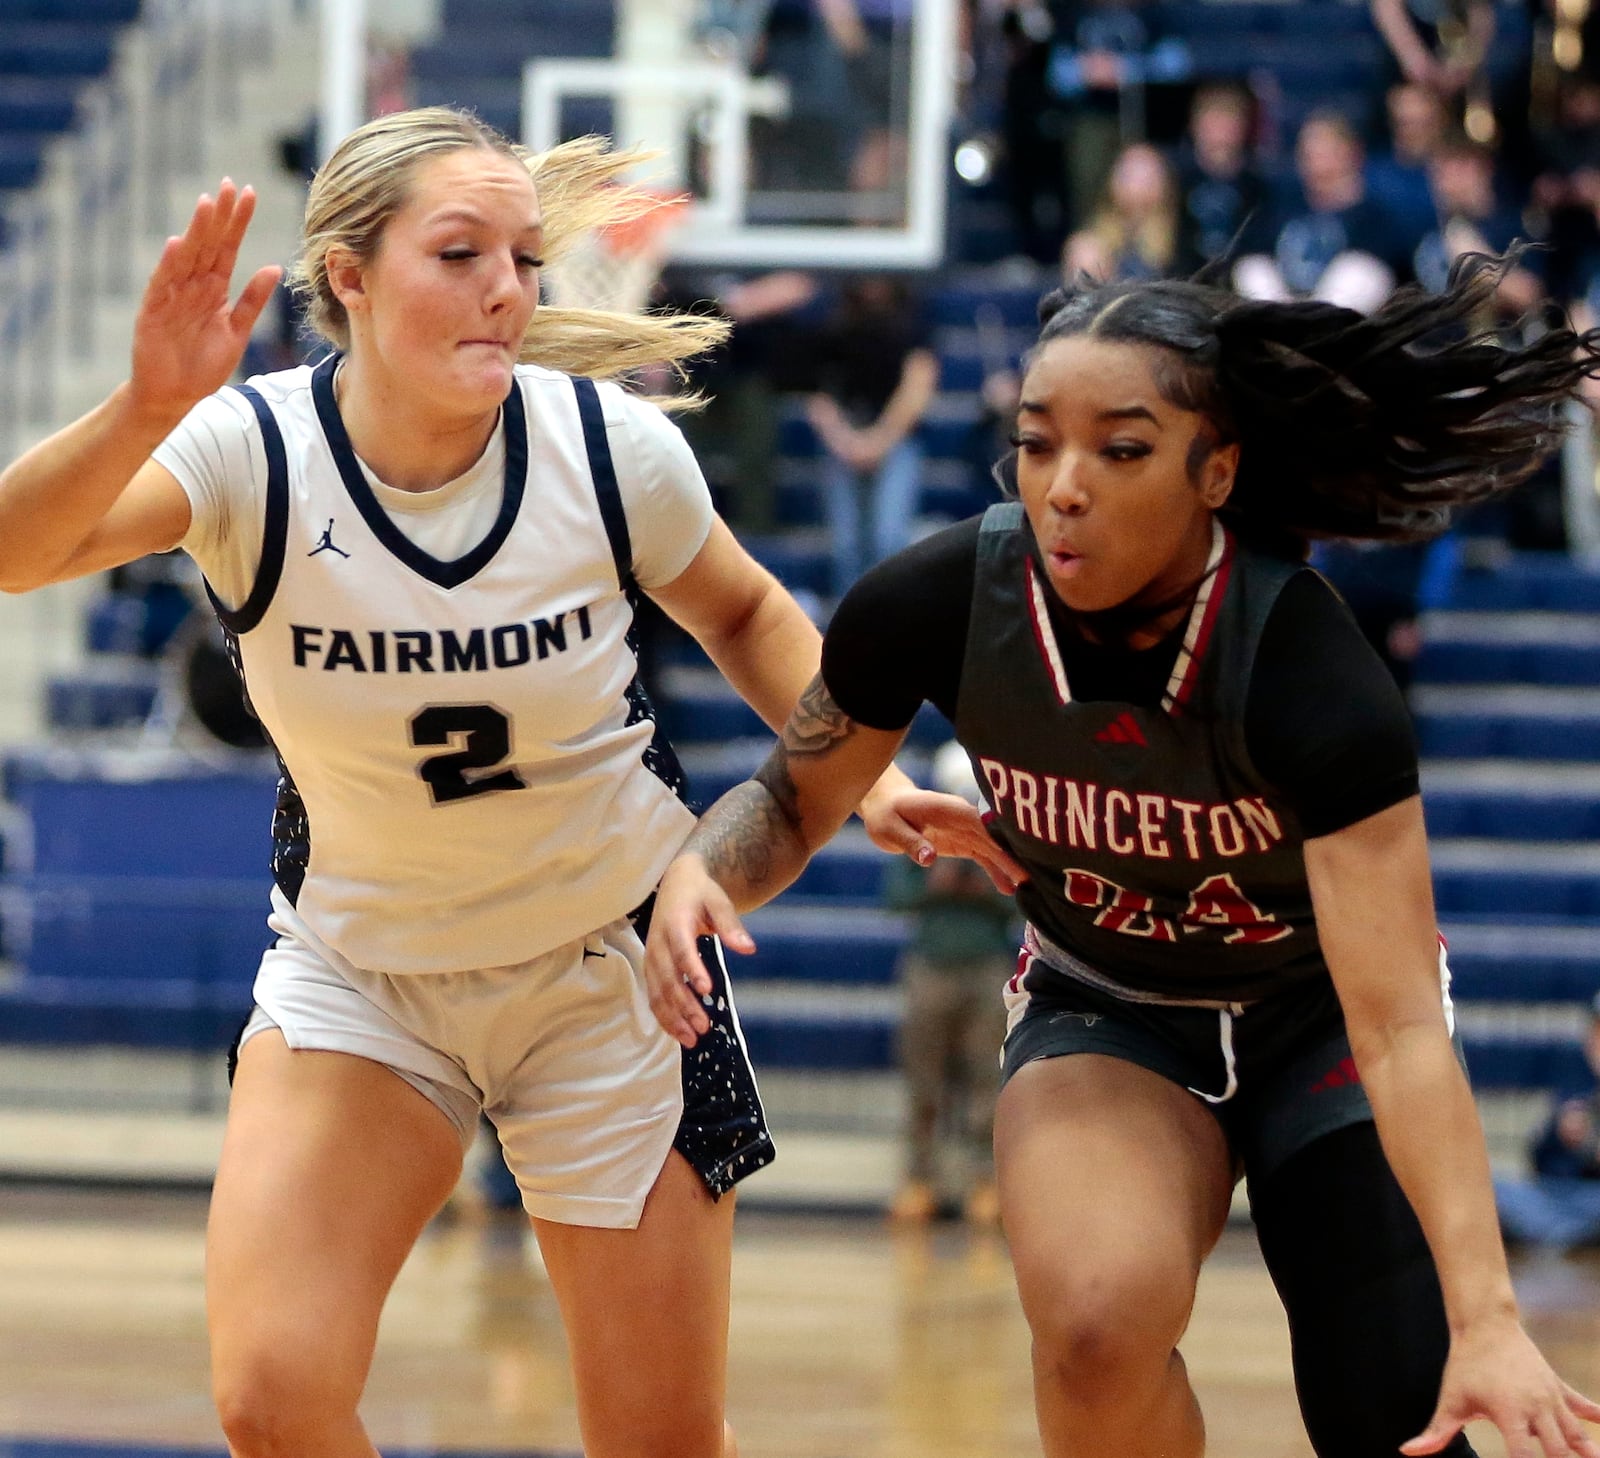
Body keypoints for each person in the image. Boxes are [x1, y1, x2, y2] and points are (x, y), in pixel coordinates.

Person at [0, 106, 1006, 1458]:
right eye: (462, 252)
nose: (509, 289)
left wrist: (860, 778)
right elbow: (18, 554)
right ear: (349, 280)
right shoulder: (251, 450)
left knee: (659, 1439)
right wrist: (144, 411)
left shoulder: (606, 449)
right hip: (365, 977)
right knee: (273, 1395)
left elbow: (753, 615)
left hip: (614, 972)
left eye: (527, 258)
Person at [641, 258, 1600, 1457]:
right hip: (1110, 1006)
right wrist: (701, 870)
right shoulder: (943, 598)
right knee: (1093, 1327)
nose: (1066, 489)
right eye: (1039, 446)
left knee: (1392, 1400)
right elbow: (789, 800)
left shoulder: (1306, 667)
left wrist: (1492, 1318)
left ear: (1218, 469)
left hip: (1318, 1021)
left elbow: (1399, 1024)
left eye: (1122, 450)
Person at [885, 739, 1017, 1225]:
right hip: (930, 967)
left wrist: (985, 888)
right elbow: (894, 897)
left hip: (987, 969)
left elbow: (1022, 900)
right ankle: (919, 1181)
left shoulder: (1003, 836)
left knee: (989, 1079)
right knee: (924, 1082)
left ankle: (987, 1182)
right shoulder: (918, 834)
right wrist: (931, 884)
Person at [803, 273, 939, 595]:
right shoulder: (830, 311)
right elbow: (813, 386)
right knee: (846, 546)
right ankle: (847, 634)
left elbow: (919, 380)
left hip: (897, 438)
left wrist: (880, 440)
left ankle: (888, 628)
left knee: (888, 539)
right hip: (844, 436)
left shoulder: (915, 311)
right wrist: (842, 438)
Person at [1495, 993, 1600, 1251]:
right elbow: (1540, 1167)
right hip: (1567, 1199)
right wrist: (1560, 1136)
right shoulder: (1578, 1094)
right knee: (1493, 1189)